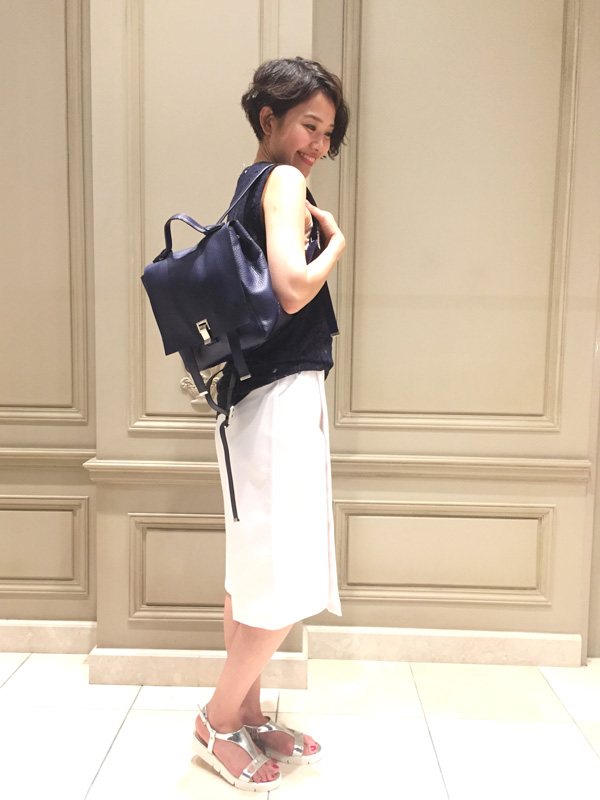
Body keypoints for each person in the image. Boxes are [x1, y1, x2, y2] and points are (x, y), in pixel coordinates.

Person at [192, 56, 349, 792]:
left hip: (251, 404)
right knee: (283, 574)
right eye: (309, 126)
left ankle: (248, 715)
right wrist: (336, 246)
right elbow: (290, 290)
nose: (318, 143)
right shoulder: (283, 183)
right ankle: (218, 719)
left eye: (328, 132)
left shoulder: (249, 184)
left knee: (253, 571)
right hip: (279, 402)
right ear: (269, 119)